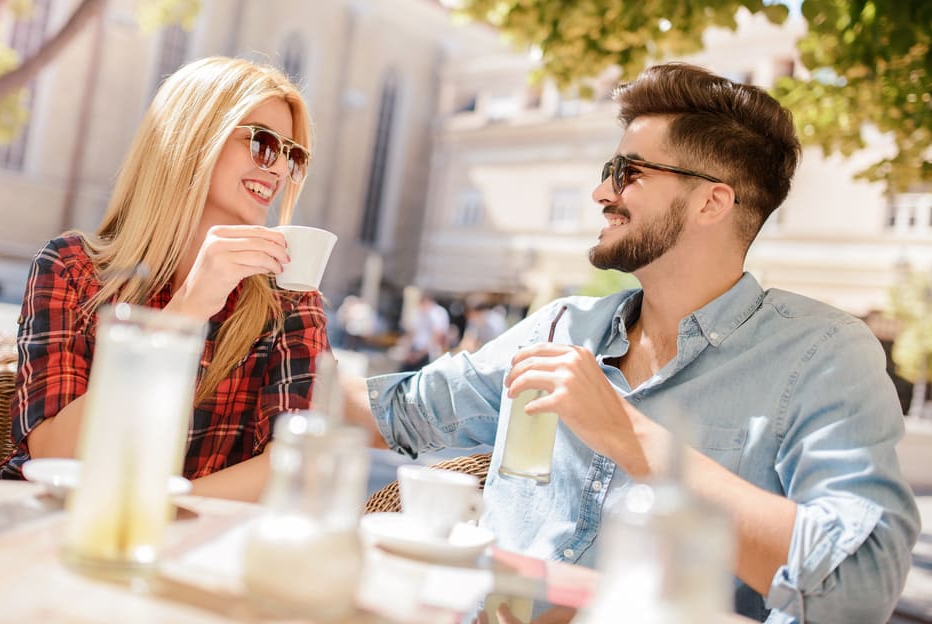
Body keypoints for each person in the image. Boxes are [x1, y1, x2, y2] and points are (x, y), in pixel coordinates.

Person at [346, 63, 920, 623]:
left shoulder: (824, 354)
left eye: (629, 171)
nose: (601, 192)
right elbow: (398, 414)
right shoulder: (559, 326)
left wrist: (634, 439)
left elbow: (858, 589)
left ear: (711, 202)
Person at [0, 56, 328, 502]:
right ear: (195, 137)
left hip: (186, 541)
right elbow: (54, 455)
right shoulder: (72, 267)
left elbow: (297, 465)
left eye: (292, 155)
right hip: (39, 523)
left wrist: (155, 512)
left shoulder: (290, 301)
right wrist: (186, 312)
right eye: (264, 143)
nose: (279, 170)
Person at [398, 292, 450, 371]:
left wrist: (420, 354)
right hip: (415, 351)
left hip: (430, 353)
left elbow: (438, 336)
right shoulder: (417, 312)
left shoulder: (438, 313)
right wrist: (407, 351)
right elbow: (411, 333)